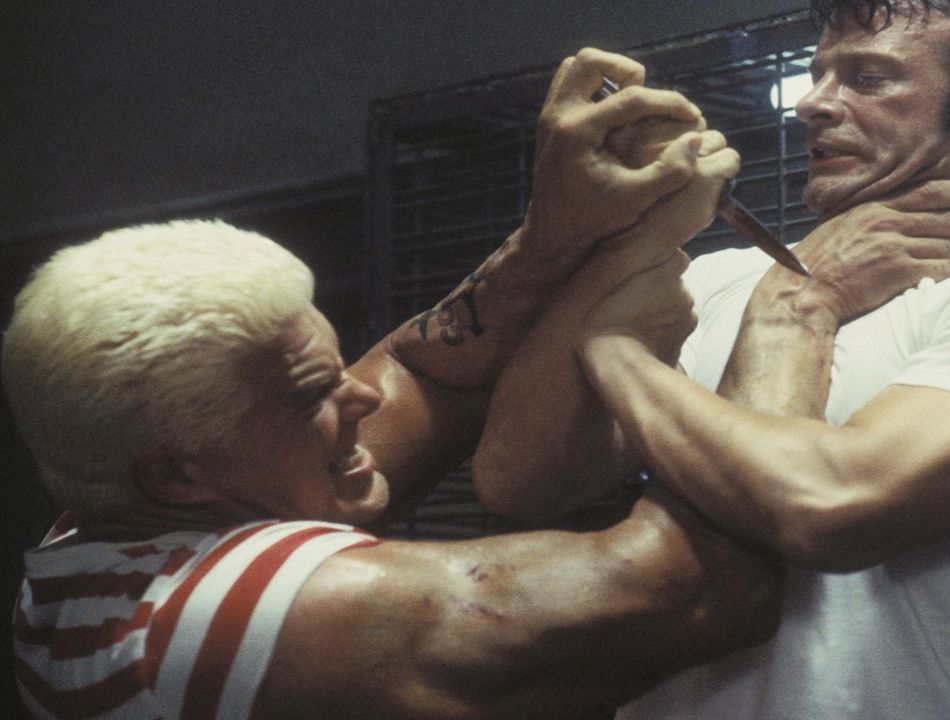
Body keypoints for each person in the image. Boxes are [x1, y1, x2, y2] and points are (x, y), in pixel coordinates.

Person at [4, 50, 784, 720]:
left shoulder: (102, 523)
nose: (363, 396)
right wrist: (791, 316)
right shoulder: (232, 618)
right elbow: (700, 592)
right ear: (178, 476)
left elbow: (421, 371)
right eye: (311, 397)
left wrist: (556, 229)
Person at [471, 1, 950, 718]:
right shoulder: (723, 277)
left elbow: (828, 506)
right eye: (818, 74)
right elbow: (518, 480)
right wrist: (604, 241)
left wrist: (614, 346)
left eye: (867, 78)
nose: (811, 103)